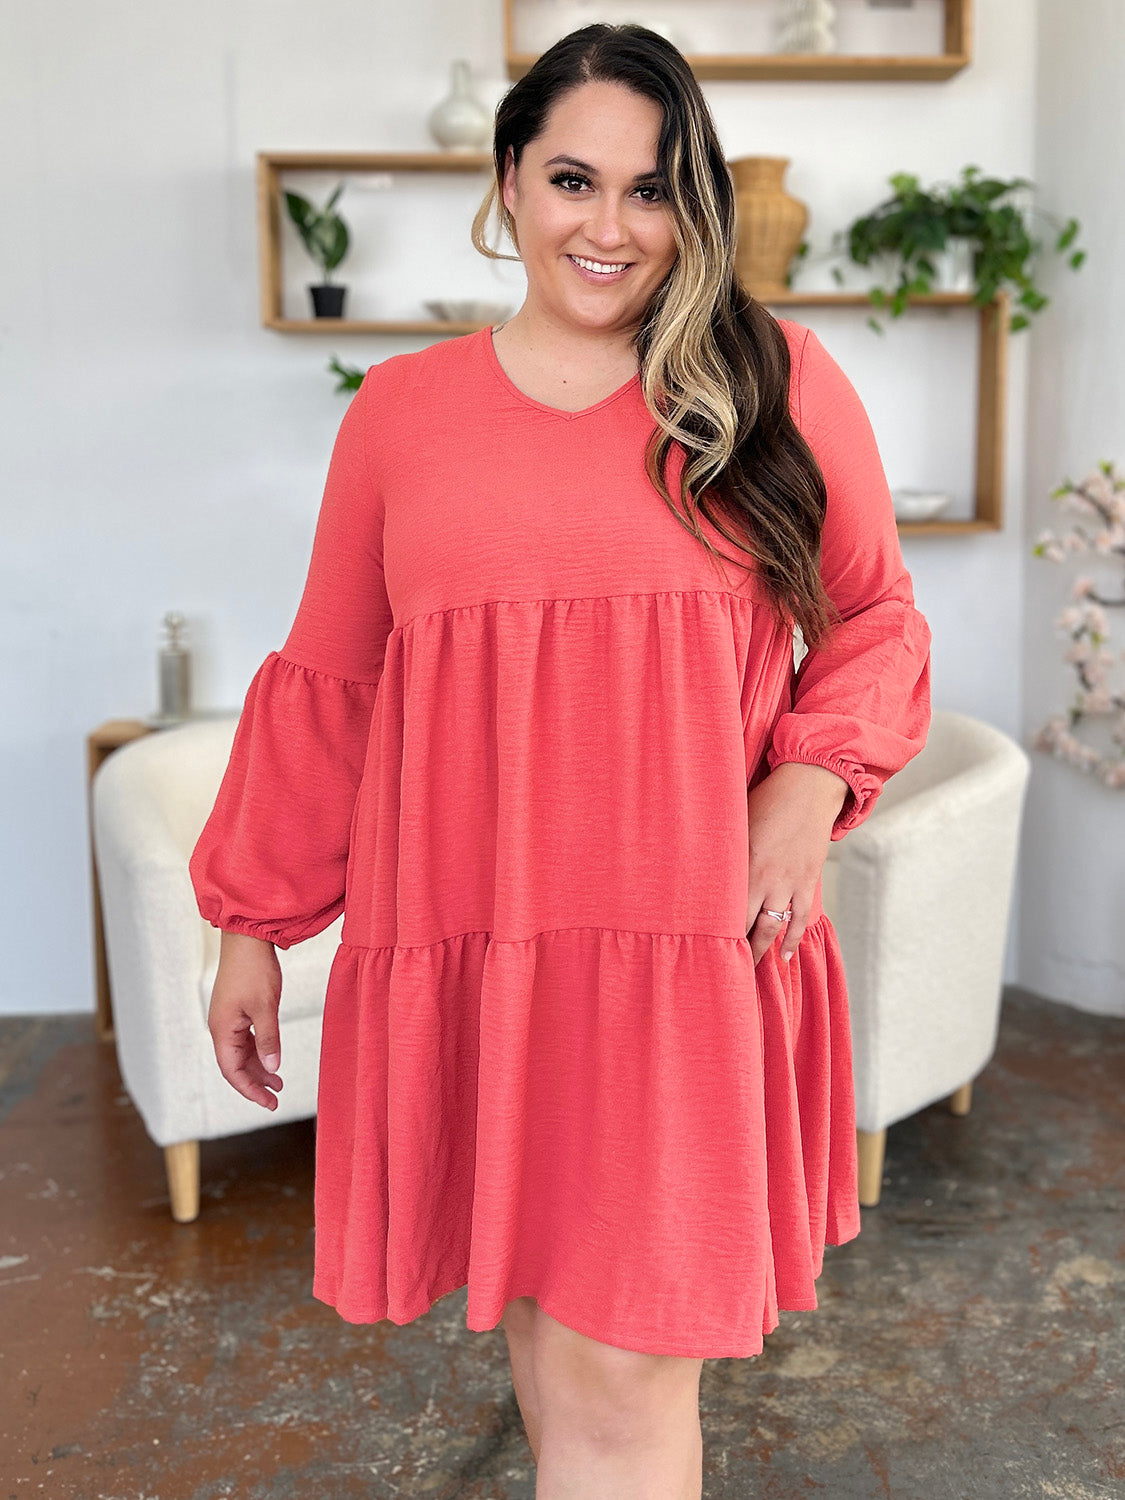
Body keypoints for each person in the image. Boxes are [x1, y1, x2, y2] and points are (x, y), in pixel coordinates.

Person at [189, 22, 933, 1499]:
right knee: (549, 1339)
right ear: (508, 183)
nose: (610, 227)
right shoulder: (400, 414)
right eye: (573, 180)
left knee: (617, 1379)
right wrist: (249, 925)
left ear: (694, 204)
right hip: (479, 945)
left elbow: (875, 617)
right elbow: (336, 682)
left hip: (686, 954)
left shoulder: (773, 381)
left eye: (652, 190)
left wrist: (806, 788)